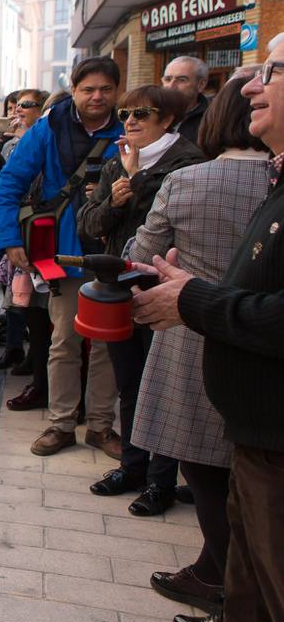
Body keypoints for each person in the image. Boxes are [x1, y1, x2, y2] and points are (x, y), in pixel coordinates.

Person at [131, 35, 284, 622]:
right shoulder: (273, 182)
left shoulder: (185, 179)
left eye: (272, 71)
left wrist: (190, 296)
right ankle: (215, 579)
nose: (250, 84)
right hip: (253, 429)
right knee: (251, 610)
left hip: (268, 433)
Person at [78, 85, 203, 512]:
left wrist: (135, 180)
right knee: (129, 384)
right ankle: (133, 466)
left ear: (166, 120)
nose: (129, 121)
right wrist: (114, 199)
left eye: (142, 114)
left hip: (161, 293)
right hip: (118, 289)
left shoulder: (187, 163)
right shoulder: (119, 160)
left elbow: (168, 225)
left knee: (161, 388)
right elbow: (88, 224)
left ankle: (161, 482)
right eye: (126, 113)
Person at [0, 57, 124, 457]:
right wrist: (10, 238)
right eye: (88, 89)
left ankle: (100, 426)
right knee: (64, 337)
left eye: (104, 89)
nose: (96, 96)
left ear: (115, 90)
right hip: (64, 249)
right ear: (75, 88)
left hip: (115, 250)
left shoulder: (128, 126)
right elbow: (10, 179)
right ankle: (61, 423)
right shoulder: (50, 126)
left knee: (106, 344)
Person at [162, 55, 211, 145]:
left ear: (201, 85)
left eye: (181, 80)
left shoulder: (212, 119)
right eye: (168, 79)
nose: (171, 86)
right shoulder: (150, 114)